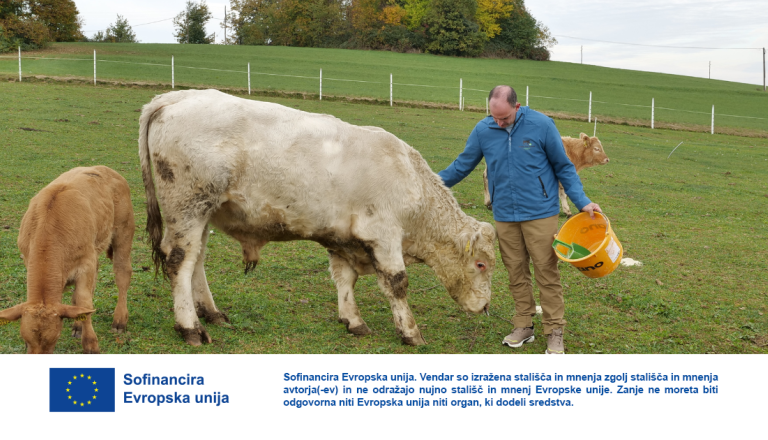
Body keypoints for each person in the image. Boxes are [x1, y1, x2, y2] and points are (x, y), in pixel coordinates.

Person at [438, 85, 601, 354]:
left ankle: (554, 331)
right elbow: (461, 166)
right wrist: (429, 183)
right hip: (504, 214)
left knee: (546, 273)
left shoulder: (542, 125)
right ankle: (523, 324)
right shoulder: (483, 129)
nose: (498, 123)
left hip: (540, 212)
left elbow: (564, 167)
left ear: (517, 106)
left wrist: (582, 202)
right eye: (494, 117)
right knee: (516, 273)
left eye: (504, 118)